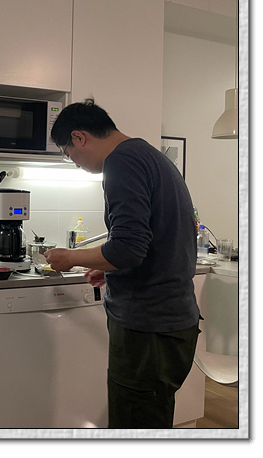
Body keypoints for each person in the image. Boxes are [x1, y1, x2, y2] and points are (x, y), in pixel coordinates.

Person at [44, 98, 200, 429]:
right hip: (170, 322)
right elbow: (154, 243)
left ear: (79, 137)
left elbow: (127, 248)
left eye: (69, 155)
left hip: (148, 328)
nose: (75, 163)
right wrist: (112, 267)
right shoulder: (148, 155)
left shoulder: (122, 162)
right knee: (150, 419)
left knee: (134, 428)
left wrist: (70, 257)